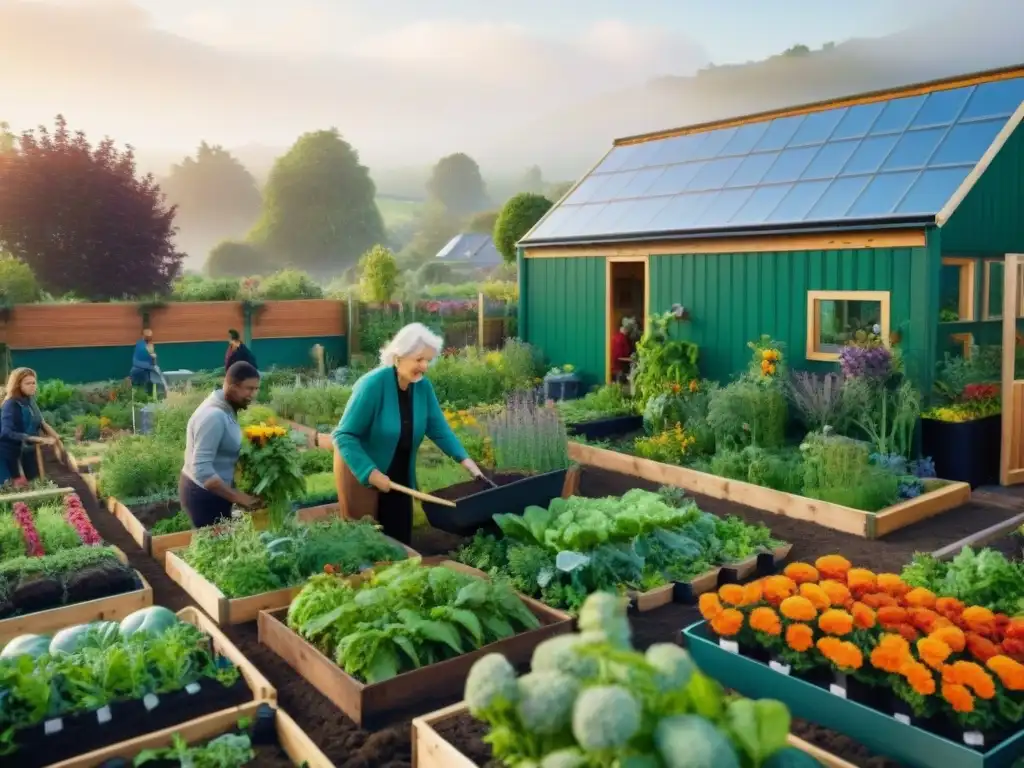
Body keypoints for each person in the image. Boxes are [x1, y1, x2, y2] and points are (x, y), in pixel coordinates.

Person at [332, 323, 485, 545]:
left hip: (398, 475)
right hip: (360, 473)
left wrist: (467, 461)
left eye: (428, 361)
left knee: (400, 539)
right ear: (399, 356)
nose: (424, 366)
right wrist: (370, 472)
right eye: (419, 359)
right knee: (368, 543)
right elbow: (343, 435)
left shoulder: (422, 387)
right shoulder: (372, 385)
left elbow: (439, 429)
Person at [180, 361, 262, 528]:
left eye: (255, 389)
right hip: (205, 496)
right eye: (249, 389)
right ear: (232, 387)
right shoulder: (213, 416)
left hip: (215, 492)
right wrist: (239, 498)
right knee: (214, 547)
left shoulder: (226, 407)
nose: (253, 395)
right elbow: (202, 470)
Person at [0, 368, 61, 485]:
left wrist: (57, 440)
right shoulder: (11, 404)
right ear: (18, 385)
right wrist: (36, 439)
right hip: (13, 455)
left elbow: (41, 421)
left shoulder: (30, 401)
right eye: (28, 383)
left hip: (31, 451)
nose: (33, 386)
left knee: (38, 482)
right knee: (20, 487)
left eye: (34, 383)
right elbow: (6, 433)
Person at [611, 316, 638, 382]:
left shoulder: (625, 338)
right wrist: (631, 360)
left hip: (622, 368)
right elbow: (618, 357)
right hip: (618, 370)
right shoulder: (619, 338)